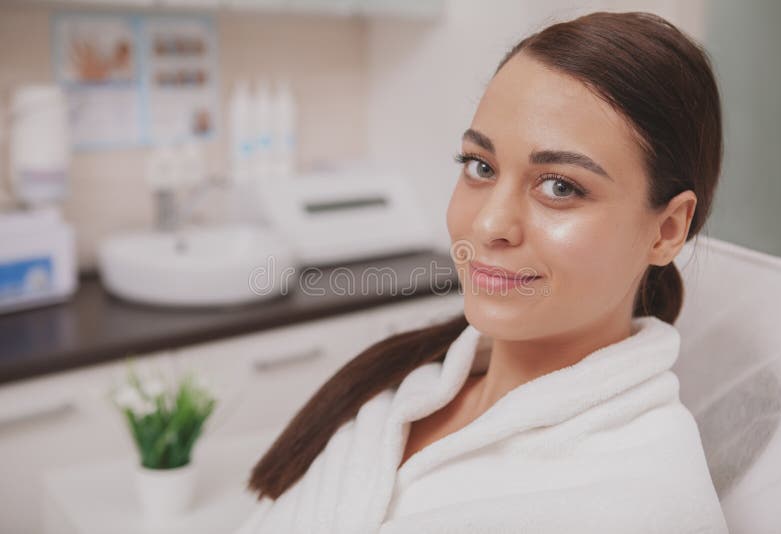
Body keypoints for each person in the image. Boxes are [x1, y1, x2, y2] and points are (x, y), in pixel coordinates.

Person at [235, 10, 729, 533]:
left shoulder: (647, 503)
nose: (491, 223)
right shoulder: (403, 386)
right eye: (481, 167)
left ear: (667, 230)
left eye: (560, 186)